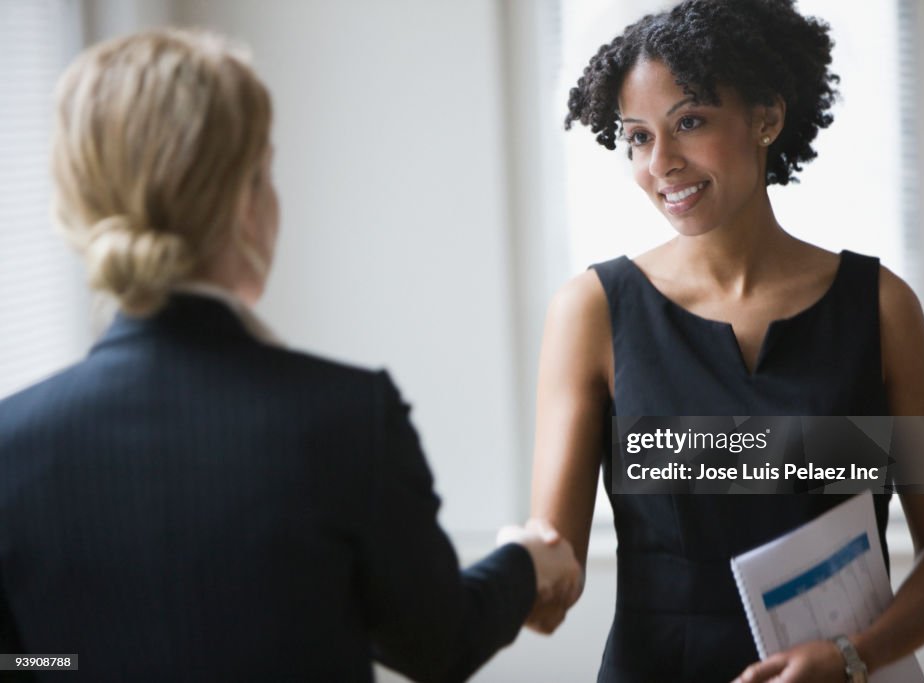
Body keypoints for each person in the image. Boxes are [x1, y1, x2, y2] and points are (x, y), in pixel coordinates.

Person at [0, 28, 580, 683]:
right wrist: (525, 560)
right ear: (246, 202)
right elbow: (434, 643)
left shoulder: (9, 444)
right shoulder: (347, 420)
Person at [528, 1, 924, 681]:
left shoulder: (883, 309)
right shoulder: (590, 311)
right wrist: (505, 587)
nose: (662, 163)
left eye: (690, 122)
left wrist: (852, 657)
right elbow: (552, 563)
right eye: (638, 137)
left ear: (767, 116)